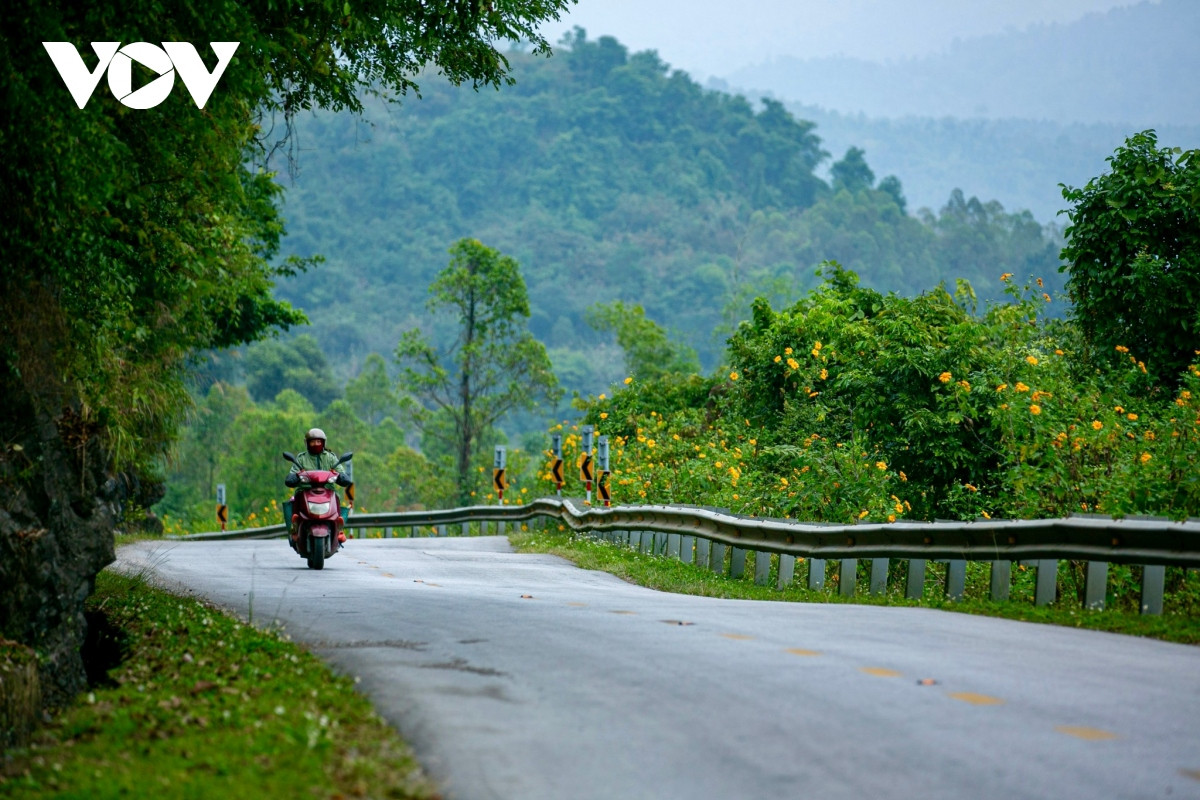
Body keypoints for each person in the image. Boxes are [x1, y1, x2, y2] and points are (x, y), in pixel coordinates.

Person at [285, 427, 352, 544]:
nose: (315, 444)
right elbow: (292, 474)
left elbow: (340, 471)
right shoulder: (301, 458)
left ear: (323, 442)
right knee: (297, 497)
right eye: (312, 441)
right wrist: (294, 477)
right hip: (305, 490)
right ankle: (294, 529)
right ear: (307, 443)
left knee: (336, 497)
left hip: (327, 490)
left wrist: (341, 476)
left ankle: (339, 530)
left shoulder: (330, 457)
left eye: (318, 441)